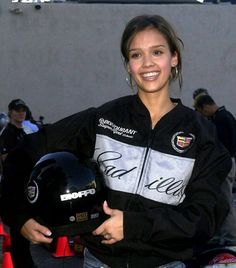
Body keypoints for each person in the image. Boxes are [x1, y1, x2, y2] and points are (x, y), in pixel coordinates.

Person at [0, 15, 232, 268]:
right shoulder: (103, 119)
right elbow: (24, 153)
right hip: (99, 262)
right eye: (136, 55)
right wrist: (19, 214)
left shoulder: (202, 134)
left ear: (173, 57)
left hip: (167, 263)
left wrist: (133, 225)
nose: (147, 64)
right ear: (127, 64)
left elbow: (205, 217)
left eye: (157, 52)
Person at [194, 92, 236, 246]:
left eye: (202, 111)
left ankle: (231, 238)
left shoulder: (221, 119)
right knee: (221, 201)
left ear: (205, 106)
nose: (203, 115)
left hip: (225, 166)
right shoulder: (226, 116)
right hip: (227, 164)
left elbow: (220, 146)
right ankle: (223, 235)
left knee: (225, 202)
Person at [0, 98, 37, 268]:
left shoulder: (25, 131)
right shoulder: (7, 134)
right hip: (14, 188)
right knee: (18, 229)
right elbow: (8, 161)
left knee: (24, 233)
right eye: (17, 110)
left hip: (26, 185)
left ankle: (25, 262)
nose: (20, 113)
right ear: (10, 112)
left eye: (23, 110)